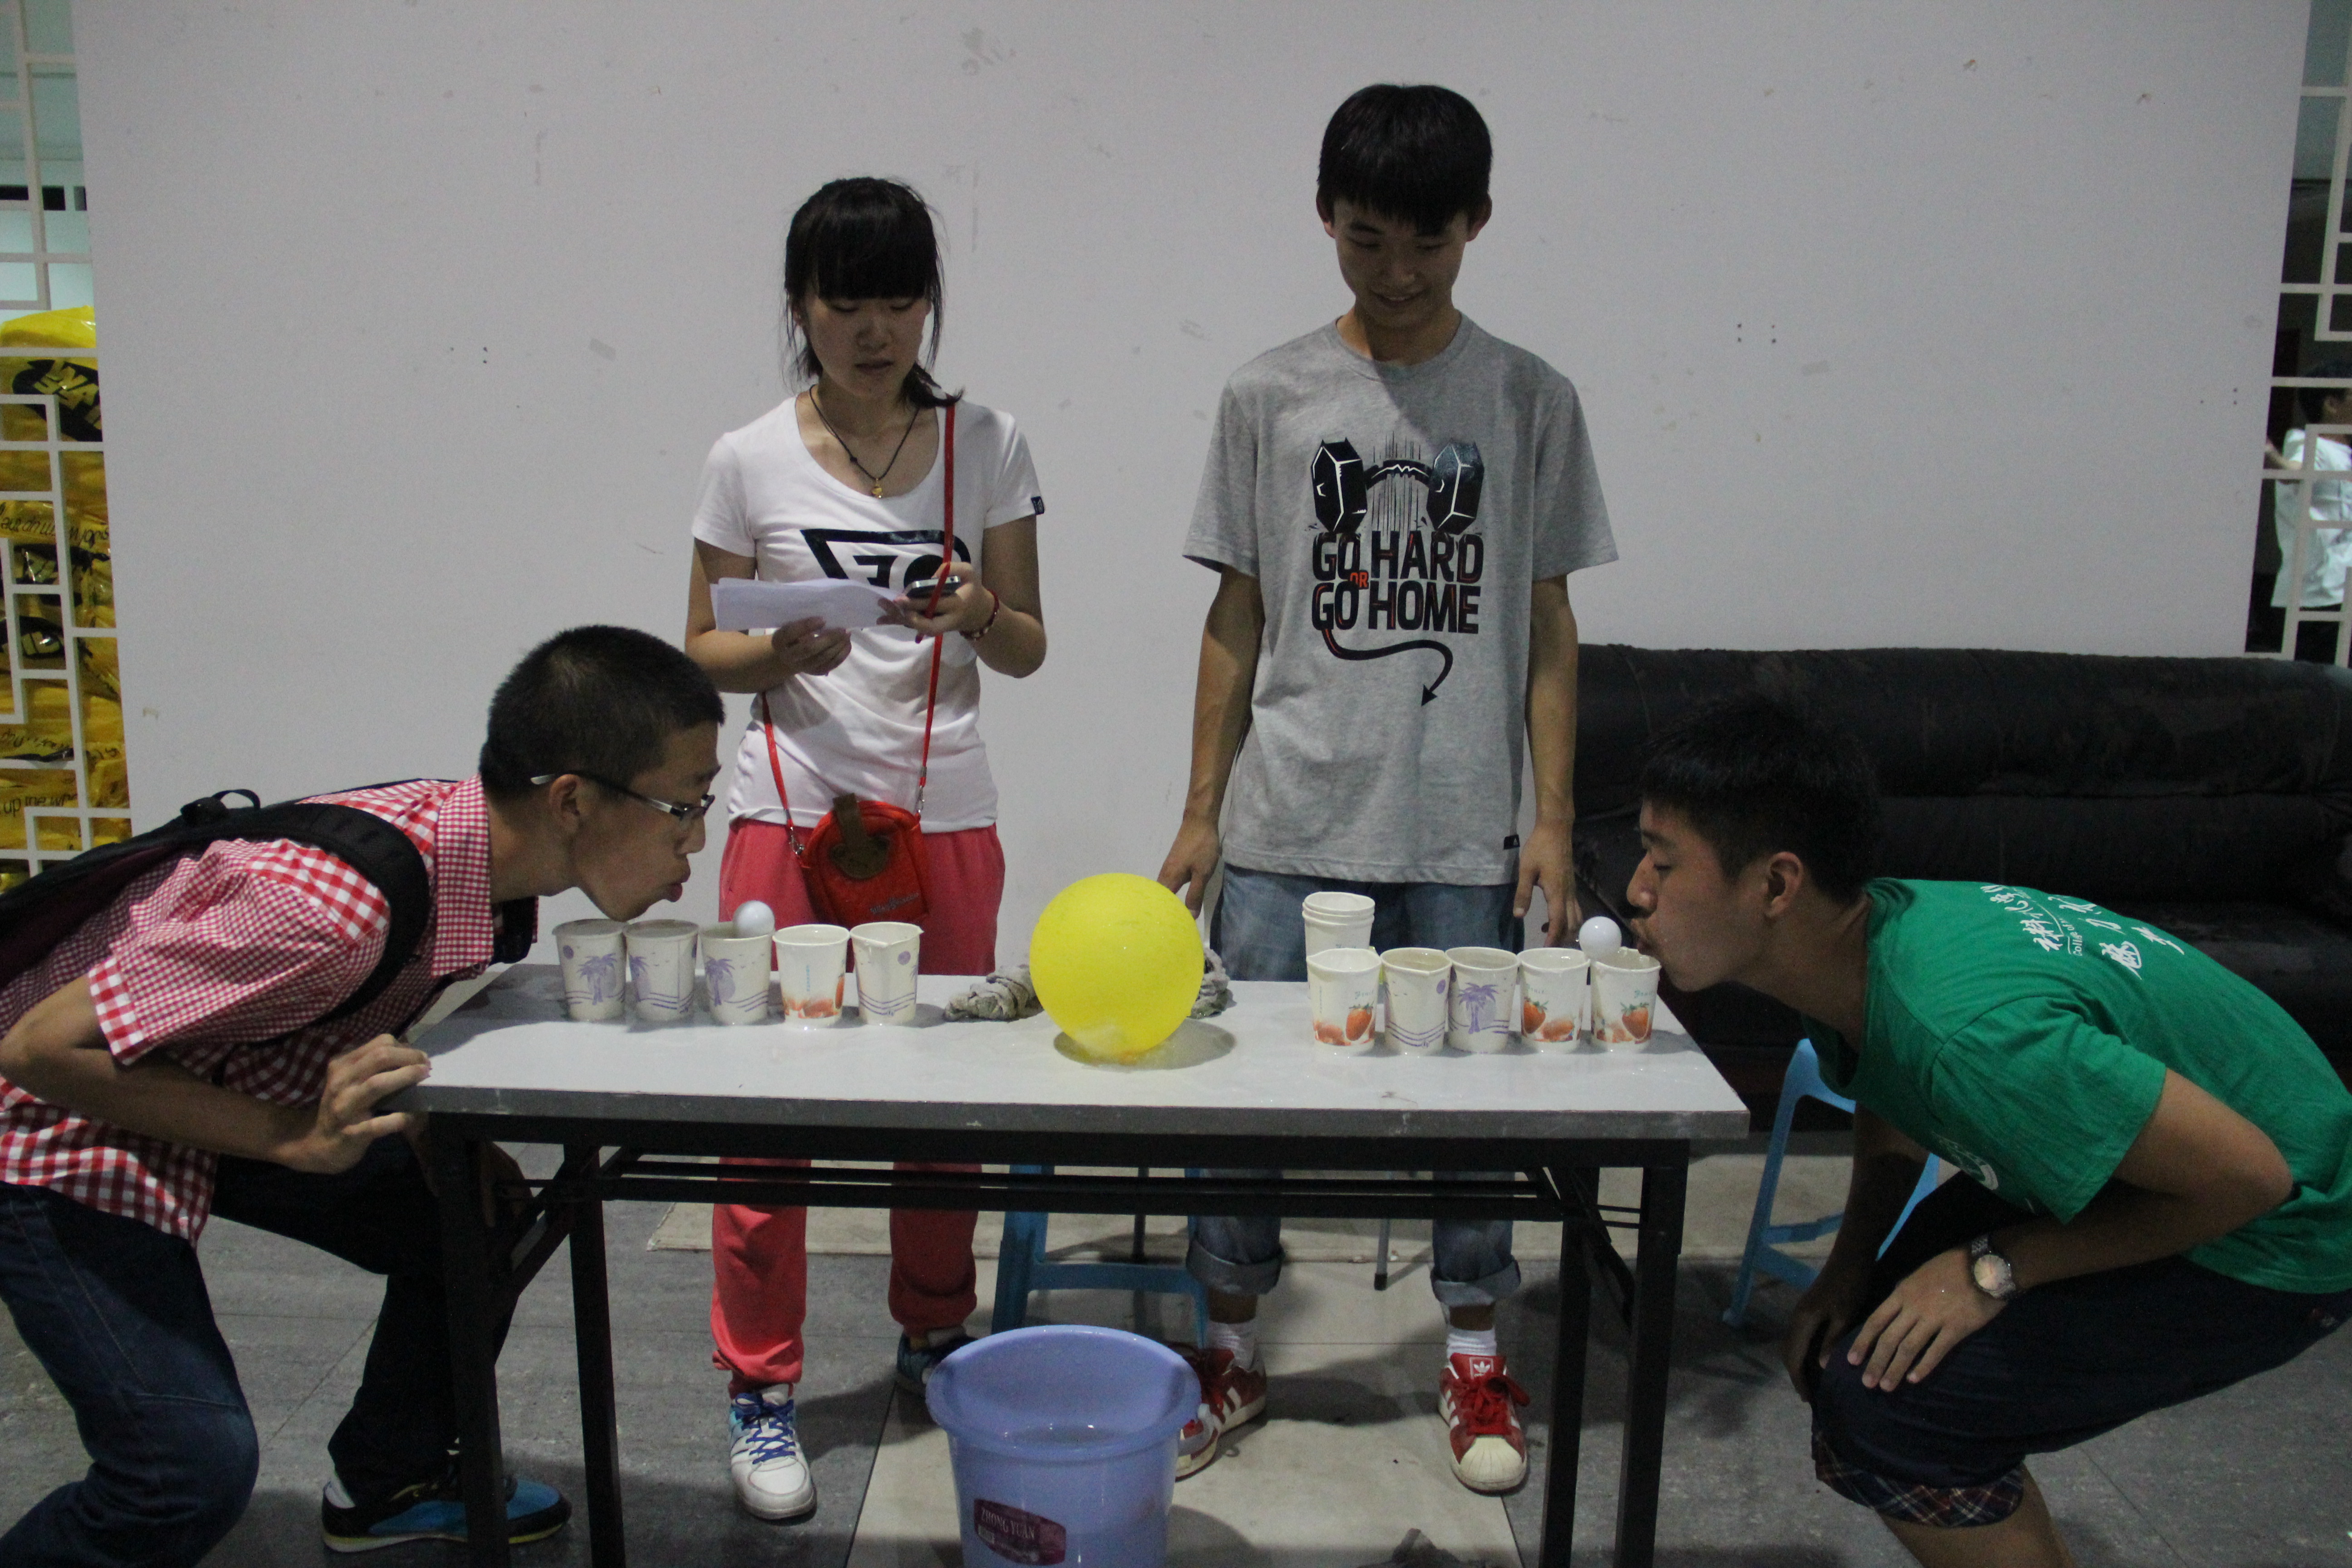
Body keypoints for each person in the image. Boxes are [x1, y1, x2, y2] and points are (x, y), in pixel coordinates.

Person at [0, 624, 725, 1563]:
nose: (694, 838)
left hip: (209, 1082)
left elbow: (332, 1009)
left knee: (475, 1214)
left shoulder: (479, 863)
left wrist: (431, 1141)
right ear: (573, 800)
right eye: (682, 806)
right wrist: (288, 1136)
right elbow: (38, 1049)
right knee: (183, 1471)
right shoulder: (325, 910)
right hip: (56, 1124)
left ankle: (388, 1483)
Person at [1154, 83, 1615, 1494]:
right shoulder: (1269, 395)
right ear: (1326, 220)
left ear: (1478, 224)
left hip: (1460, 826)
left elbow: (1547, 622)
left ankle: (1474, 1358)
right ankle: (1229, 1349)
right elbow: (1236, 615)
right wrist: (1201, 808)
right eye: (1367, 239)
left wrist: (1551, 818)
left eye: (1429, 241)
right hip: (1290, 820)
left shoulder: (1530, 399)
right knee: (1248, 1104)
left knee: (1474, 1109)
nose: (1399, 272)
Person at [1624, 694, 2352, 1568]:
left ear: (1776, 885)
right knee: (1859, 1344)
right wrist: (1849, 1258)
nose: (1636, 890)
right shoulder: (1858, 949)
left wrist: (1994, 1268)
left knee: (1891, 1408)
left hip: (2287, 1226)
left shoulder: (1970, 1035)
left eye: (1662, 862)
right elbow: (1891, 1081)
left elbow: (2250, 1180)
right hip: (2163, 1161)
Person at [681, 176, 1049, 1524]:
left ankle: (934, 1333)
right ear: (801, 306)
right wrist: (773, 650)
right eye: (846, 302)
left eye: (901, 299)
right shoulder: (746, 457)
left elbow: (1029, 645)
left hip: (943, 812)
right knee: (764, 1111)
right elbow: (700, 648)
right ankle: (760, 1385)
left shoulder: (987, 443)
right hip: (787, 814)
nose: (876, 328)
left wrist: (978, 608)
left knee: (939, 1103)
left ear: (929, 305)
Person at [2263, 357, 2352, 663]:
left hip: (2336, 594)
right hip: (2317, 599)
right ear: (2332, 404)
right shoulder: (2312, 444)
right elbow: (2295, 470)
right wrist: (2271, 455)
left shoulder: (2342, 453)